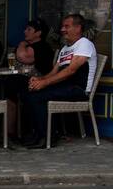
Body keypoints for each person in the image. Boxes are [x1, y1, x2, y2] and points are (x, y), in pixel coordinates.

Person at [20, 13, 95, 149]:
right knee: (27, 93)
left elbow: (70, 71)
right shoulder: (65, 49)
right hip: (65, 86)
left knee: (38, 97)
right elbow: (54, 72)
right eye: (62, 26)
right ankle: (37, 134)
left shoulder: (84, 44)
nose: (62, 29)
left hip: (78, 89)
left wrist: (44, 83)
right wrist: (39, 79)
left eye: (67, 26)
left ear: (78, 28)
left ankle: (47, 137)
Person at [5, 18, 55, 141]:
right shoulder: (33, 46)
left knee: (9, 85)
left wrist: (22, 44)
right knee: (6, 84)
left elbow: (23, 57)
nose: (25, 31)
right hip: (29, 81)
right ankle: (9, 131)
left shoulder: (41, 46)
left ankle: (12, 132)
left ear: (38, 33)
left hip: (39, 83)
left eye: (29, 29)